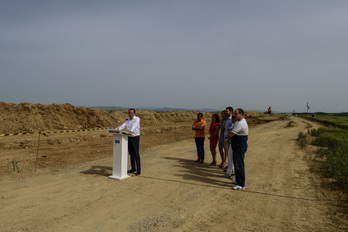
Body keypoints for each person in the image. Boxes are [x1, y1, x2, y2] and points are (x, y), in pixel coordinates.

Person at [116, 108, 141, 175]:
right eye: (129, 113)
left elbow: (134, 126)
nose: (130, 114)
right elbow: (122, 126)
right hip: (129, 138)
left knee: (136, 154)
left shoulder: (137, 119)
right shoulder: (127, 120)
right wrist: (116, 130)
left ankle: (138, 170)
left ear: (134, 114)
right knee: (131, 154)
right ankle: (133, 168)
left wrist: (131, 131)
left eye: (131, 113)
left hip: (135, 138)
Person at [228, 108, 248, 190]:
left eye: (236, 114)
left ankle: (241, 184)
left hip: (239, 145)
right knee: (236, 164)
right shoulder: (239, 122)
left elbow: (231, 134)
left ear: (241, 114)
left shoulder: (240, 124)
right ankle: (237, 180)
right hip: (237, 145)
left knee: (239, 164)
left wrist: (229, 130)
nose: (234, 115)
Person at [223, 107, 234, 178]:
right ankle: (230, 169)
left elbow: (231, 130)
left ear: (231, 111)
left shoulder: (231, 120)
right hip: (226, 138)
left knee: (230, 156)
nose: (226, 112)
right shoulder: (228, 120)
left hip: (229, 139)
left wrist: (228, 139)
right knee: (228, 154)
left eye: (227, 111)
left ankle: (231, 171)